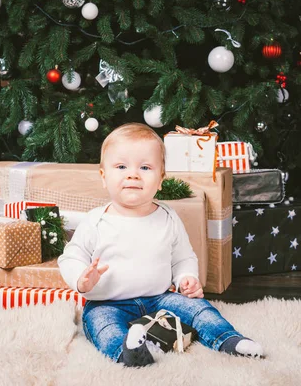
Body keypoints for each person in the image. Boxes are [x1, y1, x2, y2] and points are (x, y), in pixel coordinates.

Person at [58, 123, 263, 367]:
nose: (133, 174)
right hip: (107, 302)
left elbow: (183, 257)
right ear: (104, 177)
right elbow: (71, 256)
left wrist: (186, 277)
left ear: (161, 179)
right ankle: (128, 353)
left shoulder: (167, 217)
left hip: (160, 297)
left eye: (145, 167)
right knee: (100, 325)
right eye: (121, 166)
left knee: (198, 309)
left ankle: (228, 339)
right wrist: (82, 279)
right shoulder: (96, 220)